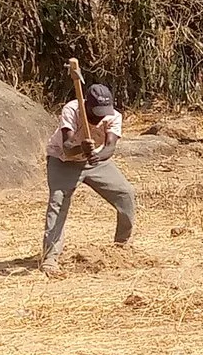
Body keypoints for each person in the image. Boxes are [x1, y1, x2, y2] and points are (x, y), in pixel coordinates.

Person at [41, 79, 135, 276]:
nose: (100, 117)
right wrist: (80, 148)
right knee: (58, 203)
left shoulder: (113, 116)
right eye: (96, 112)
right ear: (87, 106)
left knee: (125, 193)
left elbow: (110, 147)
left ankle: (121, 246)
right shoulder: (72, 110)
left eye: (104, 112)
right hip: (63, 160)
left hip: (95, 162)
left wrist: (97, 156)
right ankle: (50, 258)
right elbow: (67, 146)